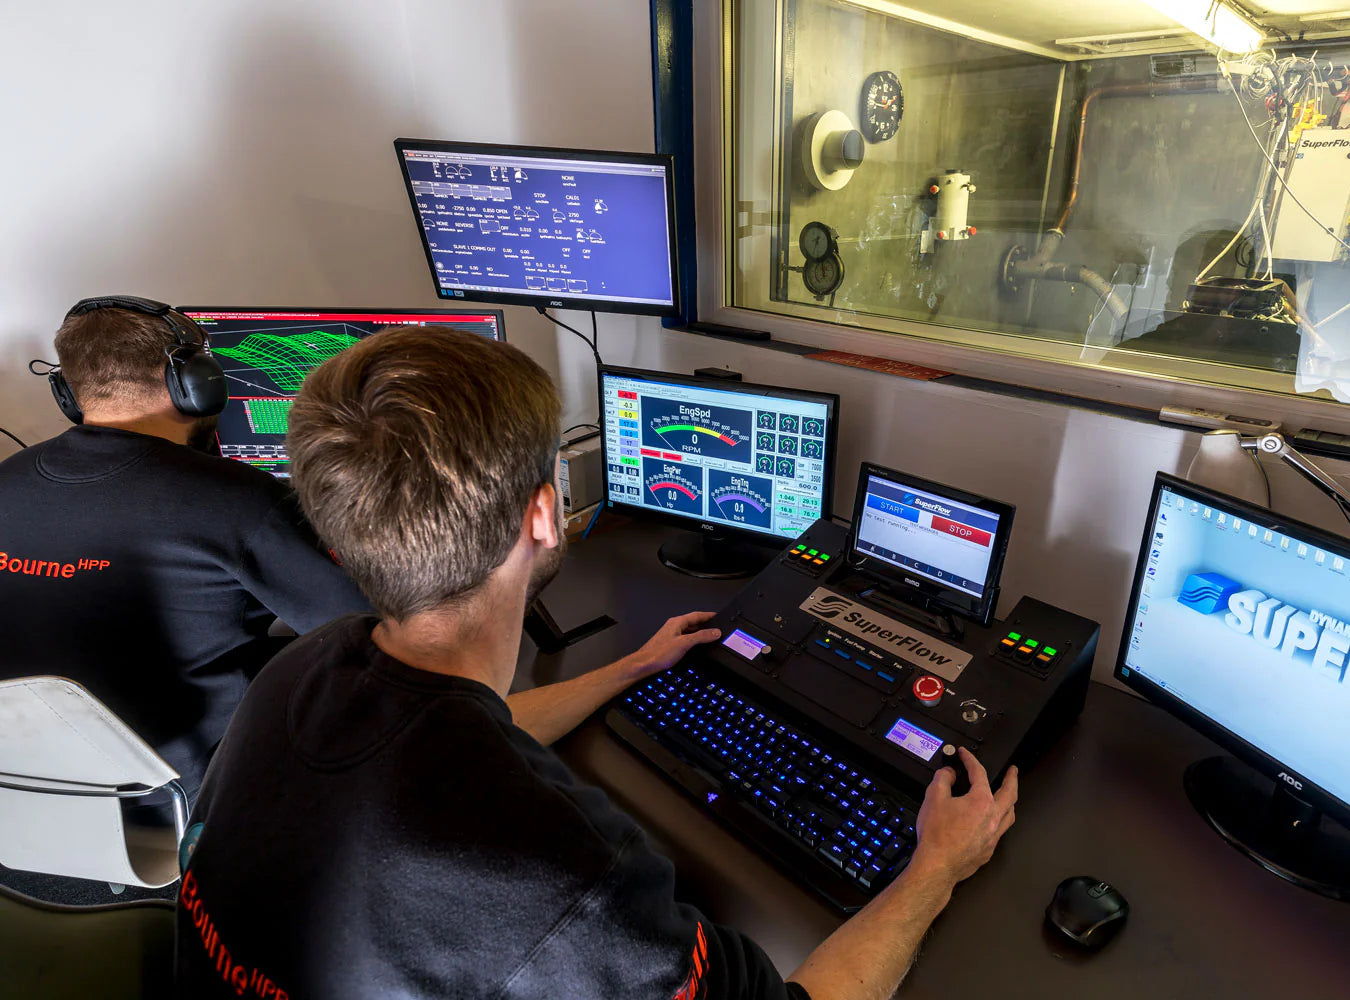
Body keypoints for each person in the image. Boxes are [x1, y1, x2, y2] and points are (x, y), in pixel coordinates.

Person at [176, 326, 1019, 1000]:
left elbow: (457, 732)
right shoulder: (569, 873)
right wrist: (935, 868)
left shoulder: (301, 671)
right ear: (545, 515)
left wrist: (627, 669)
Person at [0, 297, 370, 815]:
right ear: (196, 384)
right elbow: (364, 622)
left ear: (66, 391)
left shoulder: (5, 480)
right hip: (183, 796)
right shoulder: (240, 500)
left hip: (27, 788)